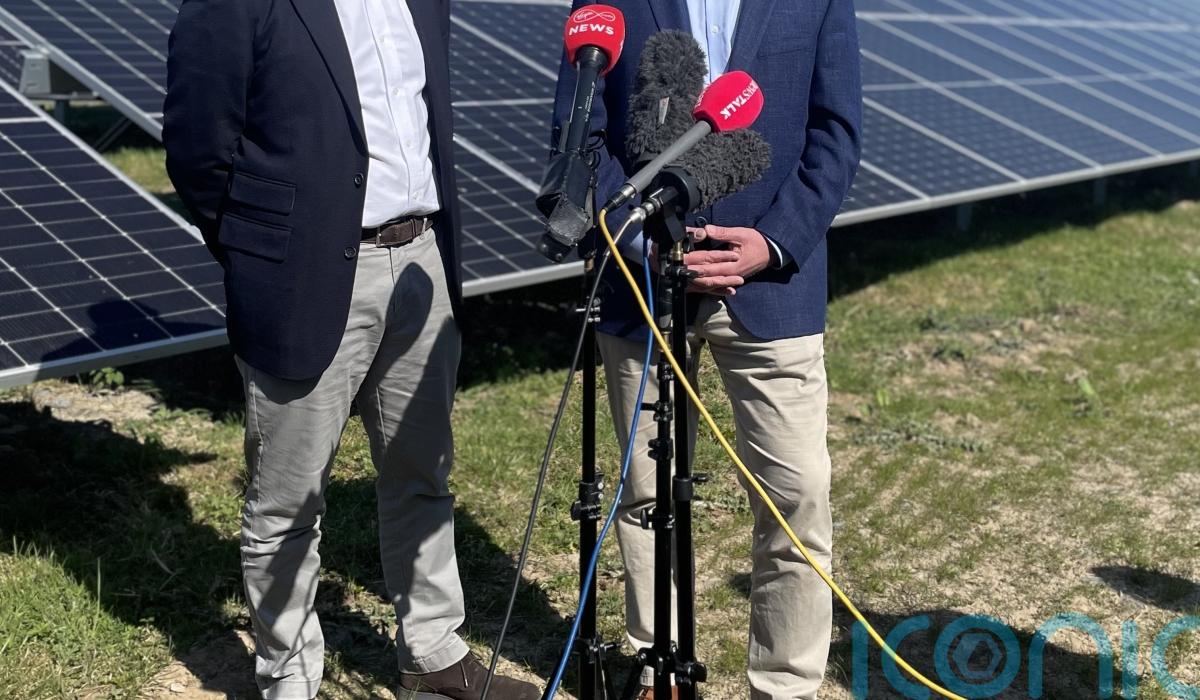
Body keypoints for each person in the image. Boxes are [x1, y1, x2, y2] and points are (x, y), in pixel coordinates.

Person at [163, 1, 538, 698]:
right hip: (304, 274)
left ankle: (433, 655)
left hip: (423, 259)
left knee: (422, 472)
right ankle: (290, 678)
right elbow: (197, 149)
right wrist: (264, 253)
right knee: (286, 503)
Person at [550, 1, 862, 698]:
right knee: (645, 490)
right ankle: (653, 664)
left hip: (772, 280)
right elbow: (581, 128)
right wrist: (640, 238)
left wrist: (773, 243)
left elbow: (836, 132)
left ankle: (785, 683)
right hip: (642, 279)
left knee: (797, 496)